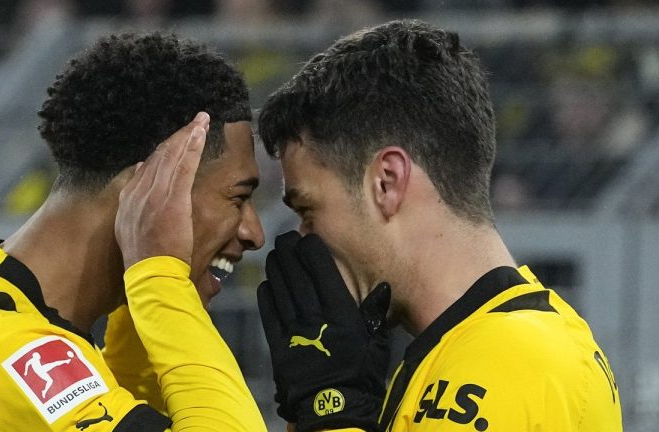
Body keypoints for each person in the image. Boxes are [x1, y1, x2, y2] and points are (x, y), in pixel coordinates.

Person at [256, 19, 622, 431]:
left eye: (308, 211)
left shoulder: (511, 360)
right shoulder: (457, 351)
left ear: (387, 182)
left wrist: (330, 409)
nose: (303, 240)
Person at [0, 32, 268, 431]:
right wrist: (161, 286)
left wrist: (139, 321)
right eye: (237, 197)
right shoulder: (9, 355)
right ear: (147, 191)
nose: (253, 233)